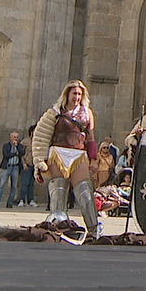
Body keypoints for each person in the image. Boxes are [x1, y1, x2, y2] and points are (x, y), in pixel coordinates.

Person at [33, 80, 100, 236]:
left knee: (85, 190)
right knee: (59, 189)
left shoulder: (87, 112)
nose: (76, 97)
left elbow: (91, 138)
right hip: (58, 153)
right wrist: (40, 160)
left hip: (79, 154)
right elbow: (41, 136)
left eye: (79, 94)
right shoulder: (55, 112)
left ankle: (94, 229)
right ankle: (58, 227)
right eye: (74, 93)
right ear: (67, 94)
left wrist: (94, 159)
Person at [0, 132, 24, 208]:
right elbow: (6, 155)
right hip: (7, 166)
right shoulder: (6, 146)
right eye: (14, 137)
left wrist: (16, 147)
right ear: (11, 138)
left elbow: (22, 153)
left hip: (15, 167)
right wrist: (14, 153)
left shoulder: (20, 146)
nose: (15, 138)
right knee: (1, 184)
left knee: (14, 186)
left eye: (17, 137)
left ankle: (9, 202)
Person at [18, 125, 37, 207]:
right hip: (27, 165)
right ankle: (22, 199)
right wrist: (23, 163)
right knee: (24, 183)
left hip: (35, 165)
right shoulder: (25, 141)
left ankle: (30, 200)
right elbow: (21, 154)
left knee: (31, 184)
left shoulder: (38, 142)